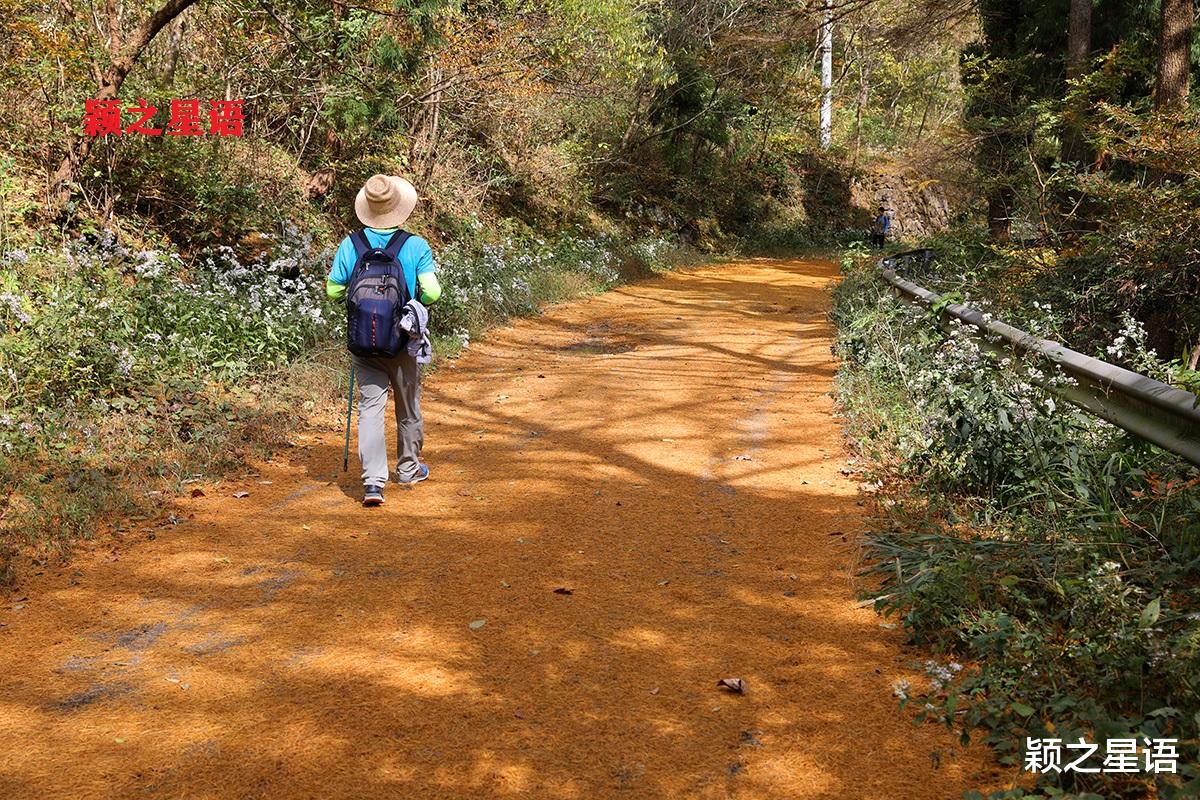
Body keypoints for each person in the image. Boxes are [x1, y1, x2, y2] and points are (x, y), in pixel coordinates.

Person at [326, 174, 442, 506]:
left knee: (370, 408)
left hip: (364, 341)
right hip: (404, 339)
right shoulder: (415, 245)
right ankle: (408, 469)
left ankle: (374, 483)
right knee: (408, 405)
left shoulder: (352, 244)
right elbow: (432, 292)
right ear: (399, 208)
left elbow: (333, 290)